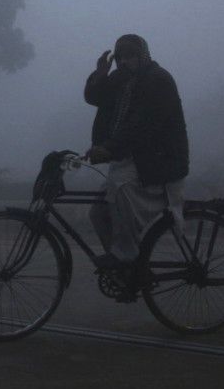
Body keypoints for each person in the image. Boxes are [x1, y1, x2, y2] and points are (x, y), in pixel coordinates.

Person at [83, 34, 189, 270]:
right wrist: (100, 73)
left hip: (159, 159)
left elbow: (142, 124)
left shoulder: (157, 80)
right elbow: (94, 98)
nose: (123, 61)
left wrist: (108, 148)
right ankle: (125, 269)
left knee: (120, 190)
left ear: (142, 56)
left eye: (129, 55)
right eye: (120, 56)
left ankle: (125, 257)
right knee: (99, 213)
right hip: (132, 158)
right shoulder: (120, 80)